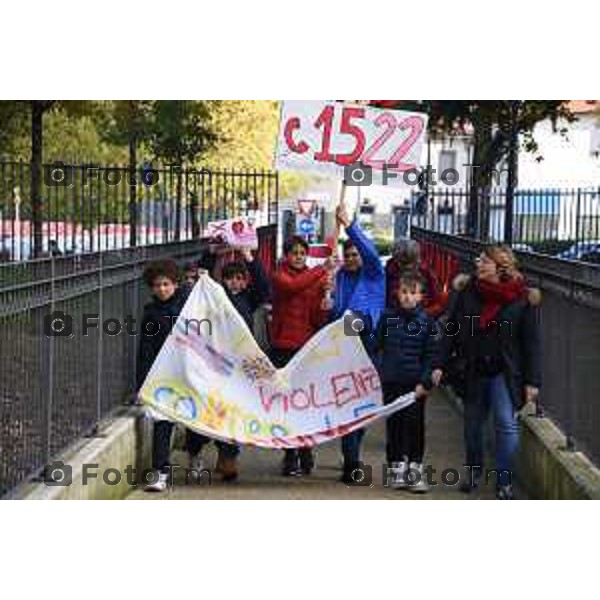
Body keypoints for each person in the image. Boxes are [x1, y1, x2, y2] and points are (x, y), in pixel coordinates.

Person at [432, 245, 542, 500]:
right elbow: (451, 330)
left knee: (506, 424)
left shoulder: (521, 297)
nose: (478, 264)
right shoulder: (468, 291)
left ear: (499, 266)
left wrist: (533, 381)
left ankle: (504, 481)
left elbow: (532, 342)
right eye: (478, 260)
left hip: (504, 372)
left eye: (484, 261)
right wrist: (438, 363)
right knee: (472, 427)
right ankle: (474, 471)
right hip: (473, 367)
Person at [185, 247, 271, 482]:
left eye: (240, 279)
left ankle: (228, 457)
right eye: (230, 278)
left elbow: (264, 287)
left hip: (237, 368)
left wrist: (249, 257)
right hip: (212, 365)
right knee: (205, 409)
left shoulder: (249, 299)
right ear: (222, 281)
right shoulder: (216, 298)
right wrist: (211, 254)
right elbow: (203, 277)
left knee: (233, 412)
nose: (235, 283)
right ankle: (195, 452)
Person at [137, 259, 206, 492]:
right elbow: (145, 348)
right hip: (163, 376)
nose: (162, 289)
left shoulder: (189, 307)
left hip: (188, 373)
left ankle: (194, 455)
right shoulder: (150, 314)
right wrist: (142, 382)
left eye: (166, 284)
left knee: (193, 422)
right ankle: (160, 471)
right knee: (162, 423)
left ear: (175, 284)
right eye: (157, 285)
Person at [329, 203, 386, 483]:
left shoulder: (373, 274)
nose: (352, 258)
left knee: (363, 405)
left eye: (355, 254)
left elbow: (371, 254)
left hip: (365, 342)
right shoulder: (337, 278)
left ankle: (352, 454)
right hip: (342, 347)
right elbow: (332, 317)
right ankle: (351, 461)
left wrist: (349, 224)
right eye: (347, 255)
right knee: (346, 406)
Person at [270, 235, 333, 476]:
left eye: (302, 253)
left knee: (305, 402)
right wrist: (321, 270)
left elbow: (317, 319)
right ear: (286, 255)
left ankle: (305, 447)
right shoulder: (279, 276)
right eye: (294, 253)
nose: (298, 257)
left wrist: (324, 304)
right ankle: (290, 453)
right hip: (283, 345)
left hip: (306, 345)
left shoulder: (316, 279)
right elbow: (292, 287)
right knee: (287, 403)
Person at [375, 273, 438, 492]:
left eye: (413, 293)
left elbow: (431, 355)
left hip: (415, 385)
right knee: (394, 425)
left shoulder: (427, 322)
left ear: (421, 296)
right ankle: (396, 468)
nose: (408, 297)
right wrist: (380, 371)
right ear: (397, 294)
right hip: (392, 381)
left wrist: (425, 382)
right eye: (404, 292)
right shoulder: (387, 318)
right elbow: (377, 346)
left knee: (415, 426)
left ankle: (415, 467)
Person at [385, 239, 447, 318]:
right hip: (394, 316)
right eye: (403, 262)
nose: (407, 267)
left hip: (420, 316)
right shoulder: (390, 270)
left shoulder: (425, 272)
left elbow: (437, 299)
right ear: (396, 259)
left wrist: (424, 314)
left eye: (410, 262)